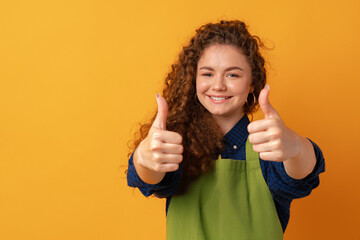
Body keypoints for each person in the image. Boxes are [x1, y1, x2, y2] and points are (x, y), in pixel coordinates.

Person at [127, 20, 325, 239]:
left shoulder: (269, 145)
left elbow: (302, 176)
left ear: (252, 83)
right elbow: (150, 179)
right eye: (207, 74)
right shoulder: (176, 143)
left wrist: (297, 146)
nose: (218, 85)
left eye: (232, 75)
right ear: (194, 80)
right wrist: (143, 158)